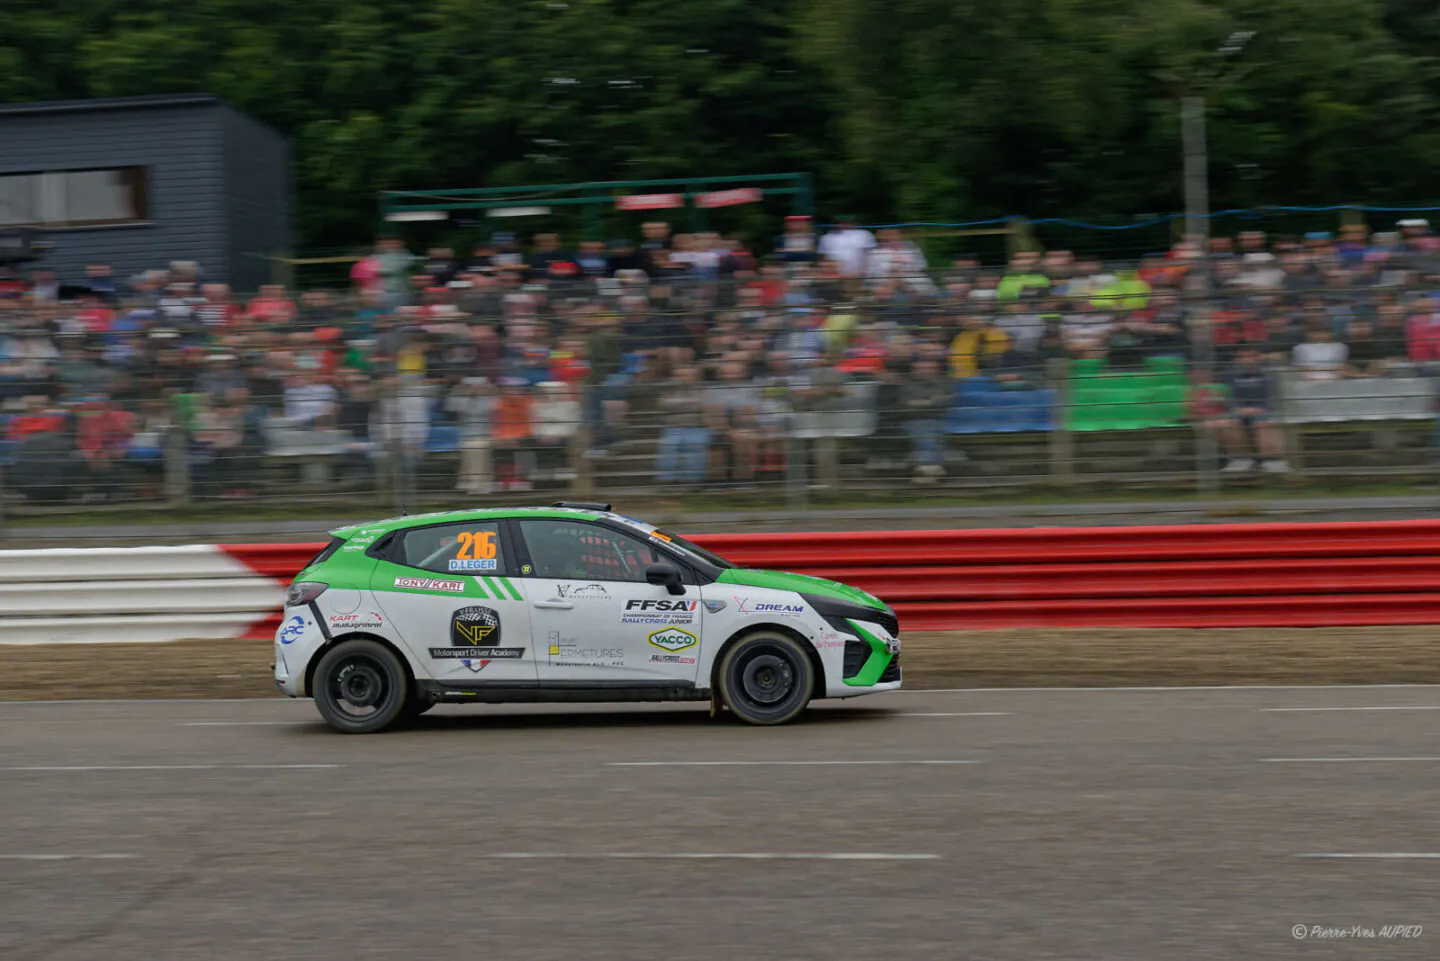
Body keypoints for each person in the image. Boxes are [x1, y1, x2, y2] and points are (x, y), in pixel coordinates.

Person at [1219, 347, 1288, 473]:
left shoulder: (1268, 375)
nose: (1246, 360)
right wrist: (1239, 409)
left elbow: (1273, 396)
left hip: (1265, 409)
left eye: (1250, 356)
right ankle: (1240, 460)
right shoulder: (1229, 375)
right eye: (1242, 357)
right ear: (1235, 359)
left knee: (1263, 423)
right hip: (1239, 410)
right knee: (1229, 423)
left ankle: (1273, 461)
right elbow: (1228, 396)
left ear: (1258, 358)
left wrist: (1260, 408)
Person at [654, 365, 710, 484]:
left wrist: (677, 404)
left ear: (696, 377)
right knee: (669, 445)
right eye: (678, 376)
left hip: (698, 427)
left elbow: (705, 405)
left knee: (696, 445)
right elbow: (663, 405)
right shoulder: (669, 390)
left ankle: (693, 480)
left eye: (686, 375)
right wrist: (691, 404)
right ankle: (666, 480)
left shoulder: (704, 390)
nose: (682, 378)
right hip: (673, 427)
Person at [900, 353, 952, 482]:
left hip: (940, 418)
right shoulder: (906, 383)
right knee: (927, 437)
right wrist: (931, 401)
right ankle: (932, 470)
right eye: (922, 368)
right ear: (914, 367)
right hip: (913, 419)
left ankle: (926, 471)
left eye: (931, 368)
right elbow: (906, 403)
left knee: (933, 436)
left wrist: (922, 402)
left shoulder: (944, 381)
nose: (927, 371)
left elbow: (945, 400)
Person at [445, 376, 494, 495]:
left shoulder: (490, 399)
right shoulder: (461, 398)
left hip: (487, 434)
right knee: (473, 448)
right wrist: (462, 393)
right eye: (471, 387)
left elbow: (484, 410)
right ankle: (480, 482)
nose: (475, 389)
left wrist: (487, 392)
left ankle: (473, 483)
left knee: (476, 448)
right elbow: (450, 406)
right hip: (466, 435)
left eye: (478, 387)